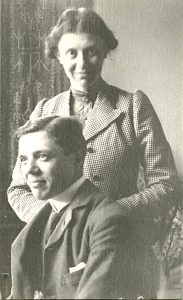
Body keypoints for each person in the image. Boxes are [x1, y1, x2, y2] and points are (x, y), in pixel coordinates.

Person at [8, 7, 178, 297]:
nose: (82, 63)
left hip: (122, 248)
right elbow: (18, 189)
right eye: (71, 53)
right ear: (58, 56)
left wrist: (105, 216)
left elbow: (166, 185)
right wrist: (62, 221)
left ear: (105, 51)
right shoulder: (45, 110)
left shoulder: (133, 106)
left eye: (91, 52)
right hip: (57, 257)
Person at [10, 116, 144, 299]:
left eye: (42, 157)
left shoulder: (109, 222)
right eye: (24, 160)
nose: (30, 170)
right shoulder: (37, 223)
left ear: (77, 159)